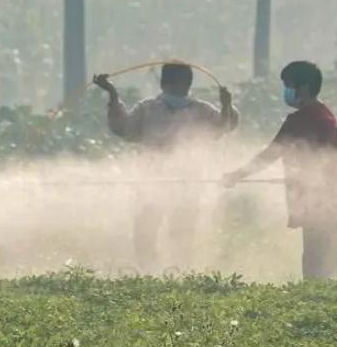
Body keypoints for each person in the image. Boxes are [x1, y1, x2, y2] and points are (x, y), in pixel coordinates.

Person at [93, 63, 239, 272]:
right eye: (173, 84)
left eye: (182, 84)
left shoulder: (201, 110)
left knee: (182, 234)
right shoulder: (148, 108)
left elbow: (224, 126)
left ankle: (180, 274)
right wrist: (113, 95)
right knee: (144, 233)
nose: (177, 89)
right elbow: (125, 129)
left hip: (187, 182)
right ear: (163, 84)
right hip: (150, 181)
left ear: (188, 85)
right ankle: (150, 273)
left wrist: (227, 104)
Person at [223, 61, 337, 280]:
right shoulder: (321, 116)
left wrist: (237, 175)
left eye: (289, 85)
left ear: (304, 87)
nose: (286, 92)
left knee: (317, 262)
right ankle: (324, 303)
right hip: (331, 201)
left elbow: (271, 155)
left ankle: (319, 305)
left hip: (325, 202)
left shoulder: (311, 120)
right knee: (322, 262)